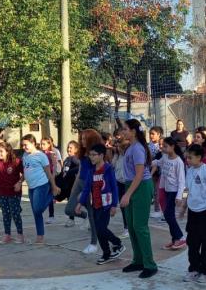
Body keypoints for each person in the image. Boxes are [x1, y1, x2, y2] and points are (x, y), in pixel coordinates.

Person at [119, 119, 158, 278]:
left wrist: (128, 194)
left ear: (134, 131)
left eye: (125, 129)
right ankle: (138, 260)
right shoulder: (131, 147)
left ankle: (150, 264)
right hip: (132, 185)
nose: (123, 132)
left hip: (140, 186)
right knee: (133, 226)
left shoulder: (137, 149)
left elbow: (140, 173)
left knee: (140, 227)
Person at [76, 143, 125, 265]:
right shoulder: (91, 171)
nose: (91, 157)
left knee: (101, 229)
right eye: (90, 155)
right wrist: (80, 203)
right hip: (95, 205)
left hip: (106, 205)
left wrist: (114, 205)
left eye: (94, 155)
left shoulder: (108, 169)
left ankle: (117, 243)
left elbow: (114, 187)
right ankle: (106, 253)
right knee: (99, 231)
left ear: (101, 155)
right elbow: (87, 188)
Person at [179, 143, 206, 283]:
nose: (187, 160)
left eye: (190, 158)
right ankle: (194, 268)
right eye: (186, 157)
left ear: (199, 157)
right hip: (193, 211)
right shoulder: (189, 171)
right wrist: (183, 205)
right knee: (192, 241)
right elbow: (186, 189)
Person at [20, 135, 58, 245]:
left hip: (42, 185)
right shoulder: (25, 155)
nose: (24, 147)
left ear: (33, 143)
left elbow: (48, 173)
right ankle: (40, 236)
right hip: (31, 187)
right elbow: (25, 171)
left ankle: (51, 195)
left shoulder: (41, 156)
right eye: (23, 145)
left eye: (26, 145)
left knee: (37, 210)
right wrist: (19, 182)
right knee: (36, 212)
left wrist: (54, 186)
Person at [0, 141, 25, 244]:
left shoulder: (16, 161)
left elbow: (24, 173)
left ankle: (20, 235)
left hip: (14, 192)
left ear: (8, 151)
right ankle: (7, 235)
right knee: (5, 214)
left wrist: (19, 183)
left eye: (1, 151)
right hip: (3, 192)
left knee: (15, 214)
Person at [157, 136, 186, 250]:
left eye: (165, 146)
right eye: (162, 146)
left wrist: (180, 196)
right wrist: (152, 162)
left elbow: (181, 181)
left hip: (174, 191)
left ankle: (180, 237)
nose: (163, 148)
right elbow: (159, 162)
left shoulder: (178, 161)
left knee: (169, 215)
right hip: (166, 190)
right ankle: (175, 239)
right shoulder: (164, 157)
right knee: (167, 215)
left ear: (172, 147)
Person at [39, 137, 61, 225]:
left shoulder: (52, 153)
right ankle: (43, 213)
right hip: (42, 177)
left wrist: (53, 177)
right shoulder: (41, 154)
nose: (42, 146)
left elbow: (55, 166)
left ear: (49, 144)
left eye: (44, 144)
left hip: (50, 177)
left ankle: (51, 216)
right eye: (41, 144)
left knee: (49, 196)